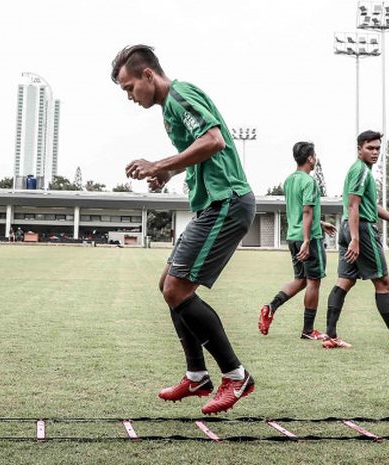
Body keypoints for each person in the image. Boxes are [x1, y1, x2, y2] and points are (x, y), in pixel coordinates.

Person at [111, 44, 256, 415]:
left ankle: (236, 376)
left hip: (227, 202)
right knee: (168, 285)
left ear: (148, 75)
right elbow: (200, 151)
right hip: (212, 203)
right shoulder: (170, 109)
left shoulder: (180, 95)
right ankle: (196, 376)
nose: (129, 97)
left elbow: (213, 141)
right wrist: (168, 172)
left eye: (129, 88)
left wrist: (158, 162)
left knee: (177, 288)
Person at [322, 130, 389, 349]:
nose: (375, 152)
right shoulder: (361, 171)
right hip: (360, 229)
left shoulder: (361, 171)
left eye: (378, 148)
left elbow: (370, 205)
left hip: (347, 227)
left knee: (345, 281)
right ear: (359, 149)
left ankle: (330, 336)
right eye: (370, 148)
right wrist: (356, 239)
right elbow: (354, 205)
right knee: (383, 282)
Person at [259, 142, 336, 340]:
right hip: (306, 239)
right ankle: (308, 331)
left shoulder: (289, 181)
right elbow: (306, 210)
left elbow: (301, 211)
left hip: (293, 236)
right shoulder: (309, 182)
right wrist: (308, 239)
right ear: (310, 158)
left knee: (300, 280)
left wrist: (320, 223)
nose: (316, 157)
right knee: (313, 282)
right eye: (315, 154)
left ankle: (271, 307)